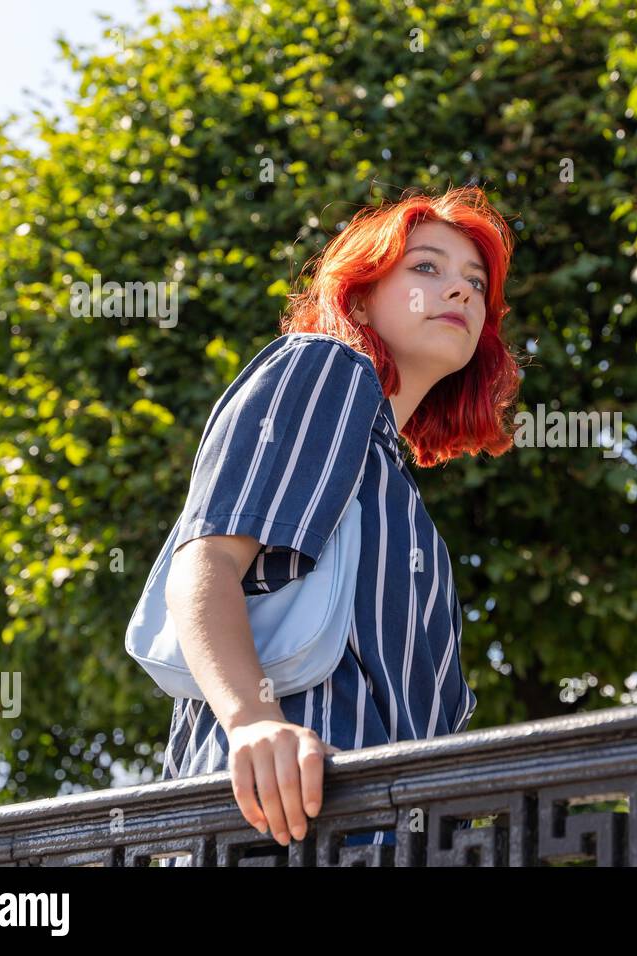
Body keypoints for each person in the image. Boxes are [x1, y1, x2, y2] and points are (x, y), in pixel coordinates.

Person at [153, 186, 521, 864]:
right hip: (277, 827)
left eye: (476, 282)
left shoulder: (401, 496)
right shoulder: (326, 367)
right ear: (359, 295)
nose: (463, 292)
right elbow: (202, 565)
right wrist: (253, 722)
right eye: (427, 268)